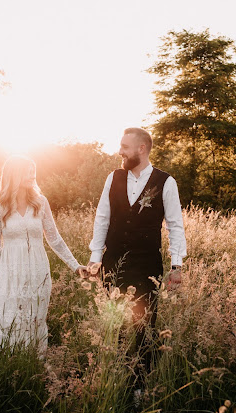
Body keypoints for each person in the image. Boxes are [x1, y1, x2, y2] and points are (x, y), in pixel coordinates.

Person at [0, 155, 86, 409]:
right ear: (13, 174)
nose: (33, 174)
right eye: (27, 170)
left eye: (34, 169)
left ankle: (29, 377)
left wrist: (76, 266)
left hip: (37, 273)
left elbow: (54, 239)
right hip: (8, 274)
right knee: (4, 320)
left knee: (34, 322)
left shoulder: (40, 203)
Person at [88, 127, 187, 395]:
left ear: (141, 149)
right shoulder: (113, 178)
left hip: (147, 265)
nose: (120, 151)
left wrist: (176, 266)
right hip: (114, 262)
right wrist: (96, 258)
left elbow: (175, 226)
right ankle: (117, 380)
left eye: (124, 146)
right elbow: (102, 218)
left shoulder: (166, 182)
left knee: (144, 325)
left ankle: (140, 389)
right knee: (116, 324)